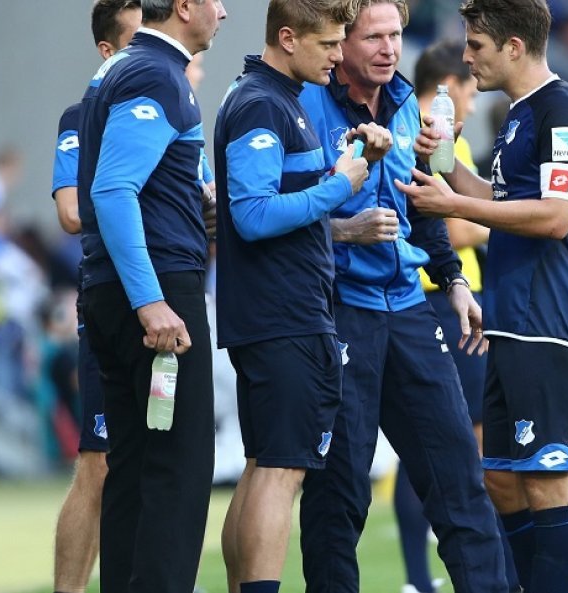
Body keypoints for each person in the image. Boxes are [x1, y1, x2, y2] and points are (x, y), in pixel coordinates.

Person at [297, 2, 510, 592]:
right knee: (340, 492)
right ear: (342, 41)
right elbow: (267, 215)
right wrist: (344, 229)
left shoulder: (406, 108)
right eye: (375, 36)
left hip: (413, 309)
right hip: (342, 312)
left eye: (396, 35)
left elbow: (426, 204)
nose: (391, 48)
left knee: (461, 479)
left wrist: (456, 281)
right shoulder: (303, 104)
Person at [399, 1, 568, 592]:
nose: (466, 57)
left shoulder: (562, 111)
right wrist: (447, 174)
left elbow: (557, 216)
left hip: (552, 319)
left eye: (478, 46)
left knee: (545, 478)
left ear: (514, 46)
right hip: (511, 317)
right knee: (503, 478)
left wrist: (456, 206)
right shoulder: (518, 115)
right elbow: (502, 195)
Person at [214, 2, 368, 592]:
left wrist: (345, 169)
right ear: (287, 37)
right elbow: (252, 215)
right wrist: (339, 186)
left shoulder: (272, 98)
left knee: (261, 468)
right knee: (281, 473)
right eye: (329, 44)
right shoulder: (262, 102)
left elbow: (283, 199)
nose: (338, 55)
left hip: (270, 312)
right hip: (283, 314)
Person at [76, 0, 226, 591]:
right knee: (180, 471)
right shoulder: (156, 72)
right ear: (185, 6)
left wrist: (194, 210)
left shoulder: (126, 70)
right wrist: (150, 302)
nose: (224, 11)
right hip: (153, 293)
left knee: (135, 471)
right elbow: (113, 189)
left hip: (118, 286)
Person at [395, 37, 520, 593]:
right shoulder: (431, 135)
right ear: (451, 87)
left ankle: (429, 575)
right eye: (468, 85)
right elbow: (452, 225)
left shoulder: (438, 134)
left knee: (437, 441)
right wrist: (501, 220)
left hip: (450, 296)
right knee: (456, 440)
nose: (473, 98)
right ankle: (434, 575)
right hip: (435, 299)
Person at [49, 2, 140, 592]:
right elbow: (68, 212)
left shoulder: (163, 109)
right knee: (99, 462)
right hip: (110, 299)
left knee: (156, 466)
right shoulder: (80, 117)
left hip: (165, 302)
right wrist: (124, 199)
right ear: (106, 51)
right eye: (135, 40)